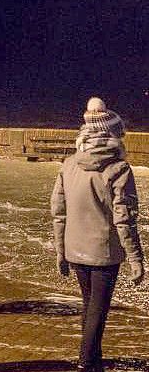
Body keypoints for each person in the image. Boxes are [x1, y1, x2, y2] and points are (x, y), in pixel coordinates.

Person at [50, 97, 144, 372]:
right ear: (114, 134)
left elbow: (58, 212)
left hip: (74, 249)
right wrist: (136, 259)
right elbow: (124, 219)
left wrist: (60, 251)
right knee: (97, 310)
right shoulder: (119, 169)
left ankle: (93, 361)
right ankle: (86, 362)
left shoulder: (69, 164)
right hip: (103, 253)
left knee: (90, 306)